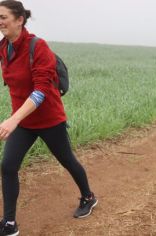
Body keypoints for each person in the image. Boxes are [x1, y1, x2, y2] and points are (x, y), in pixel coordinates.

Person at [0, 1, 97, 235]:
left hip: (49, 119)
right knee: (8, 165)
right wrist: (17, 119)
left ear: (19, 20)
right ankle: (10, 224)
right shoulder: (4, 47)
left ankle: (88, 197)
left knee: (67, 160)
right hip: (24, 121)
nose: (0, 22)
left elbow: (41, 90)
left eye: (3, 17)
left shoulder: (38, 47)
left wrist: (13, 120)